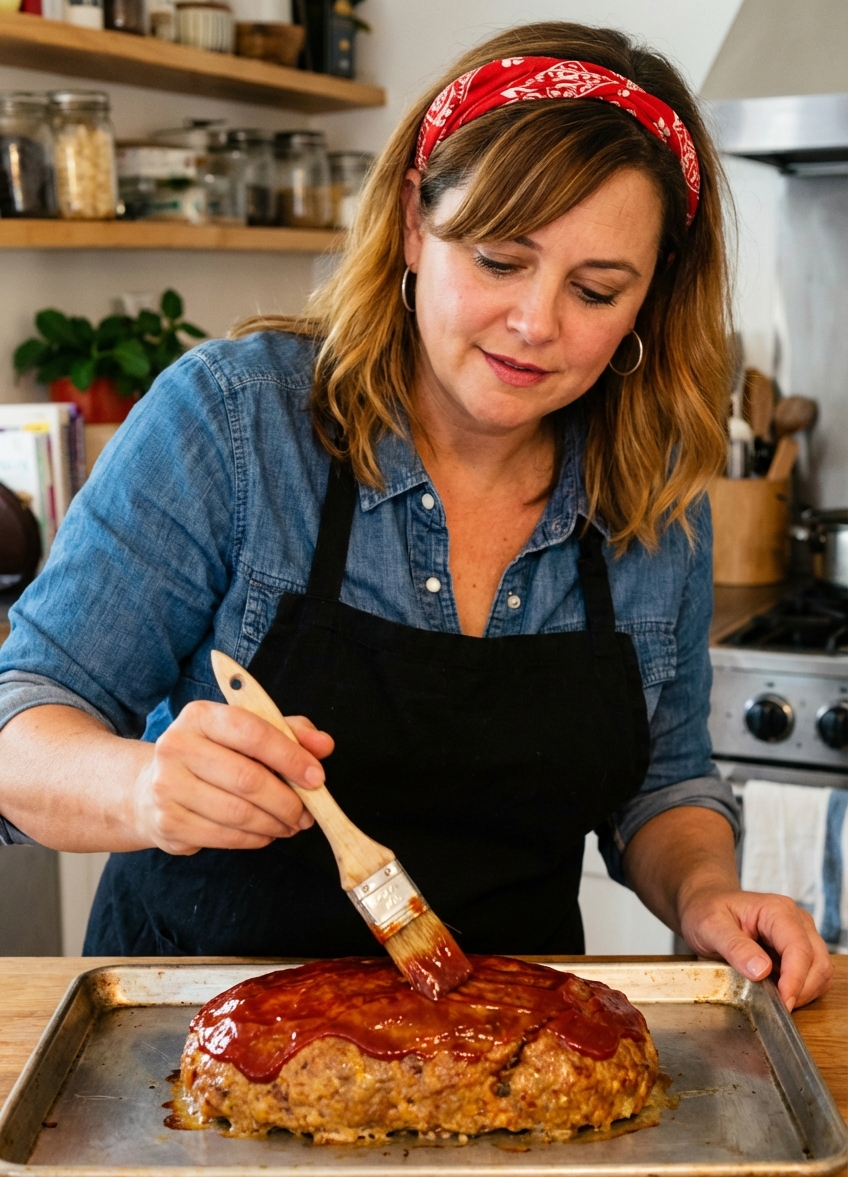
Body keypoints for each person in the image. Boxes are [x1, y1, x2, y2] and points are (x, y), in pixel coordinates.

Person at [0, 23, 832, 1008]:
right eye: (496, 259)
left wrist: (705, 894)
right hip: (188, 1050)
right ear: (410, 222)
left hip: (511, 1047)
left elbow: (662, 784)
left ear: (652, 298)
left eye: (596, 289)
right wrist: (145, 788)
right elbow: (22, 725)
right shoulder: (235, 421)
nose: (535, 323)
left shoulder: (653, 499)